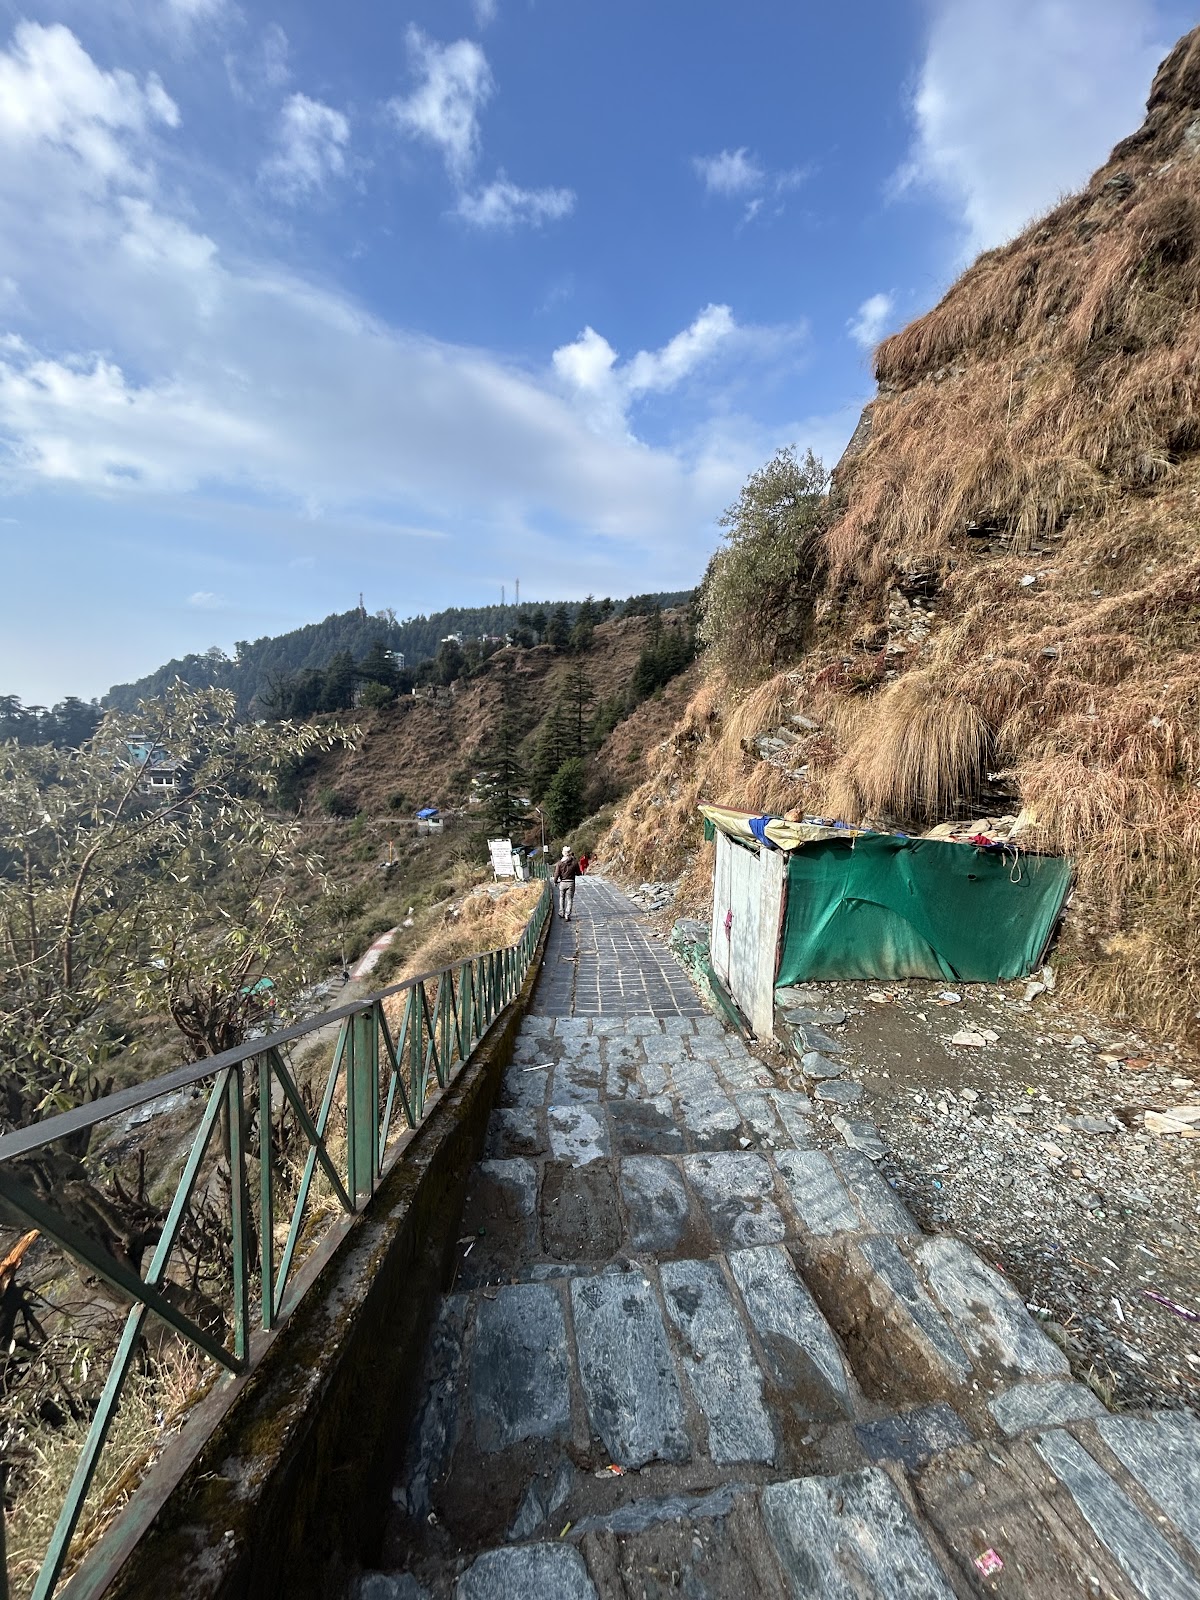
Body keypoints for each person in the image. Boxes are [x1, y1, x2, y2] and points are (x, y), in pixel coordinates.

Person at [552, 845, 580, 921]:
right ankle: (567, 914)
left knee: (561, 897)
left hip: (562, 883)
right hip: (571, 882)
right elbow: (578, 873)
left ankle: (561, 912)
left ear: (563, 853)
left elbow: (556, 873)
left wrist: (555, 881)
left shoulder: (559, 863)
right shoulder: (574, 863)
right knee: (569, 899)